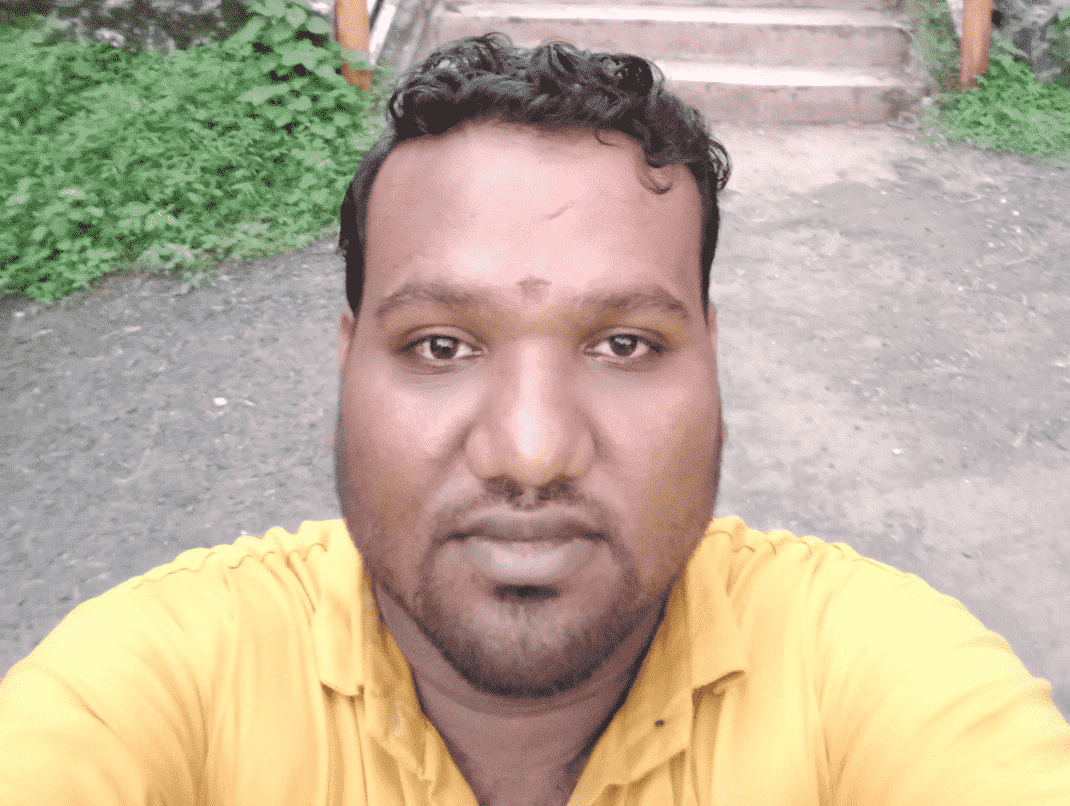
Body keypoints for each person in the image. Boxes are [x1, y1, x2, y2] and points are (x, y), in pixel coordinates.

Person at [1, 31, 1068, 806]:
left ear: (713, 367)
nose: (530, 452)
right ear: (345, 368)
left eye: (624, 344)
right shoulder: (160, 685)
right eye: (439, 345)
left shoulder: (874, 676)